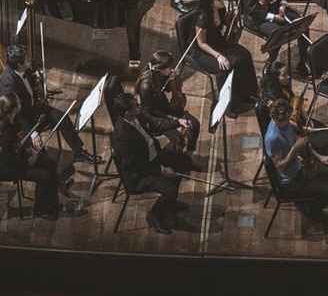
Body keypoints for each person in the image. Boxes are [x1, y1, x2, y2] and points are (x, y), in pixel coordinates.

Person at [0, 44, 100, 165]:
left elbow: (34, 87)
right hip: (22, 122)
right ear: (19, 65)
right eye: (27, 58)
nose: (31, 59)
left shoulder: (27, 69)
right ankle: (51, 173)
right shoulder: (8, 84)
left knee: (62, 118)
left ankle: (79, 152)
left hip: (35, 109)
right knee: (39, 149)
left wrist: (39, 85)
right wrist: (33, 133)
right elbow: (18, 115)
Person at [111, 92, 193, 234]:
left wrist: (177, 122)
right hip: (140, 174)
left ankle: (170, 204)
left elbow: (154, 123)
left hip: (152, 156)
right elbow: (136, 166)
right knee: (171, 192)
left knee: (184, 162)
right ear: (127, 112)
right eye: (136, 106)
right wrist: (161, 169)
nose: (139, 107)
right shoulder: (121, 136)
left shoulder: (136, 115)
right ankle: (154, 216)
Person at [263, 98, 328, 221]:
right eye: (281, 122)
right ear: (272, 117)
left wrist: (319, 157)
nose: (285, 124)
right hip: (291, 182)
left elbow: (298, 139)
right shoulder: (273, 139)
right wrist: (294, 149)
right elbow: (280, 167)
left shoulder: (285, 121)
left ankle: (313, 194)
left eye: (287, 120)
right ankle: (311, 209)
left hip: (301, 167)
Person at [192, 0, 259, 116]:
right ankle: (228, 106)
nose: (222, 1)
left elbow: (224, 25)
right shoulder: (203, 17)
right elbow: (201, 43)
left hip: (218, 43)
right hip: (203, 52)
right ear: (211, 2)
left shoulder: (220, 9)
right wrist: (218, 56)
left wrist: (233, 15)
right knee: (224, 68)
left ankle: (249, 93)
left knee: (245, 55)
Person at [258, 60, 328, 166]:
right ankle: (318, 167)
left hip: (297, 120)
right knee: (324, 142)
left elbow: (296, 101)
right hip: (288, 129)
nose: (288, 77)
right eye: (284, 75)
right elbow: (284, 121)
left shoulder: (284, 87)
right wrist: (304, 129)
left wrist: (307, 118)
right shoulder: (272, 101)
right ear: (275, 78)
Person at [0, 92, 67, 220]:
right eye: (19, 102)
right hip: (7, 167)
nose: (21, 103)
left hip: (17, 156)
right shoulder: (6, 131)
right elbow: (8, 160)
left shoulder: (13, 119)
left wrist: (29, 149)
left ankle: (51, 204)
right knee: (44, 177)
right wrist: (27, 162)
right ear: (14, 108)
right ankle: (40, 209)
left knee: (50, 163)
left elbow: (17, 144)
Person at [135, 50, 201, 164]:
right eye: (169, 67)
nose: (171, 69)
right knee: (177, 139)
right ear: (159, 68)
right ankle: (167, 162)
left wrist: (175, 78)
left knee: (194, 124)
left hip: (166, 108)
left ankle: (189, 155)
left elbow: (169, 89)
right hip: (155, 118)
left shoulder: (161, 75)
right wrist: (172, 118)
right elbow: (148, 113)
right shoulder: (145, 86)